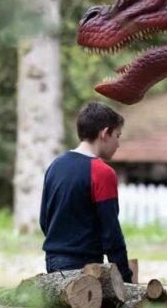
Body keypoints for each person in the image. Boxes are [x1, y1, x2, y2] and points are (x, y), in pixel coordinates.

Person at [39, 102, 133, 283]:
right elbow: (111, 233)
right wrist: (126, 279)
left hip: (53, 261)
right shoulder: (102, 172)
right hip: (84, 265)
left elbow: (45, 219)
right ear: (104, 133)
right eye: (117, 136)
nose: (118, 144)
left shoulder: (55, 165)